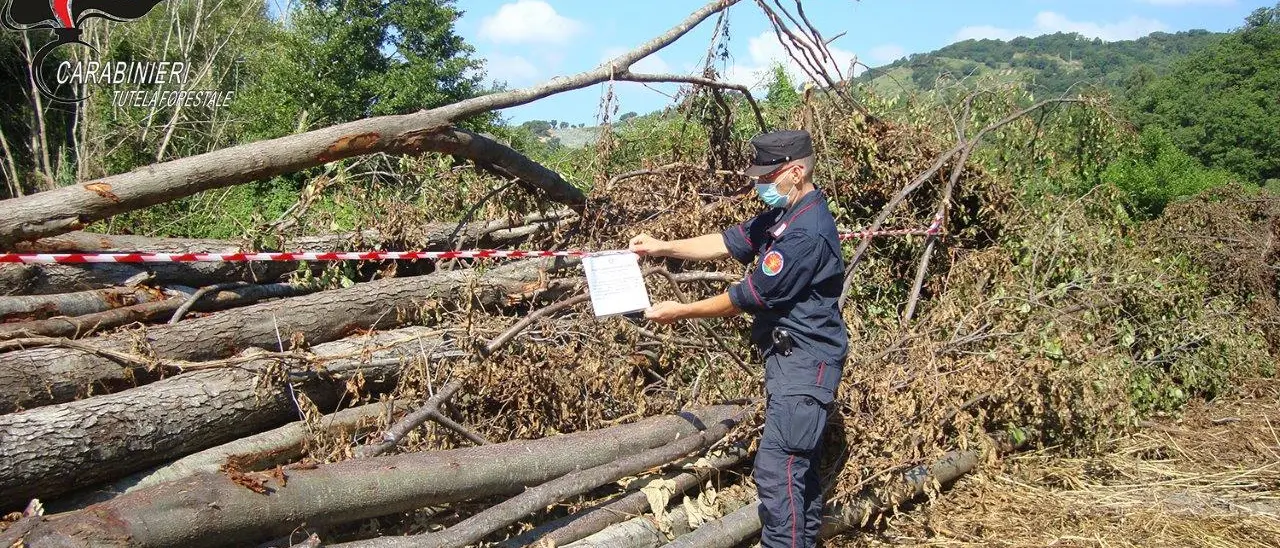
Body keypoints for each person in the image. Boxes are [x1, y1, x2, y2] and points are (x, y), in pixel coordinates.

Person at [629, 129, 848, 548]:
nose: (760, 185)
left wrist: (681, 312)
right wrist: (662, 246)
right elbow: (727, 242)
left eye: (769, 176)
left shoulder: (806, 234)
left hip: (805, 364)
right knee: (797, 472)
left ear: (797, 172)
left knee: (777, 470)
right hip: (793, 361)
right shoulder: (785, 215)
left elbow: (745, 297)